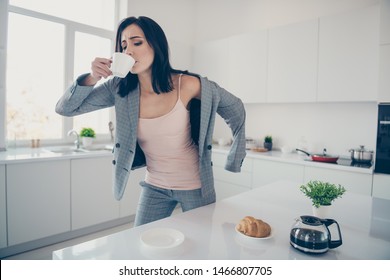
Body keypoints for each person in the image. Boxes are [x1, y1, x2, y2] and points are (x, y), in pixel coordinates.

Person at [56, 16, 246, 226]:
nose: (128, 51)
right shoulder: (119, 88)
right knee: (140, 245)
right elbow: (65, 108)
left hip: (195, 186)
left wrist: (234, 158)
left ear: (156, 45)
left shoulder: (188, 84)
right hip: (154, 186)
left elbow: (235, 108)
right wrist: (92, 77)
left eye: (137, 42)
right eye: (123, 45)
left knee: (198, 251)